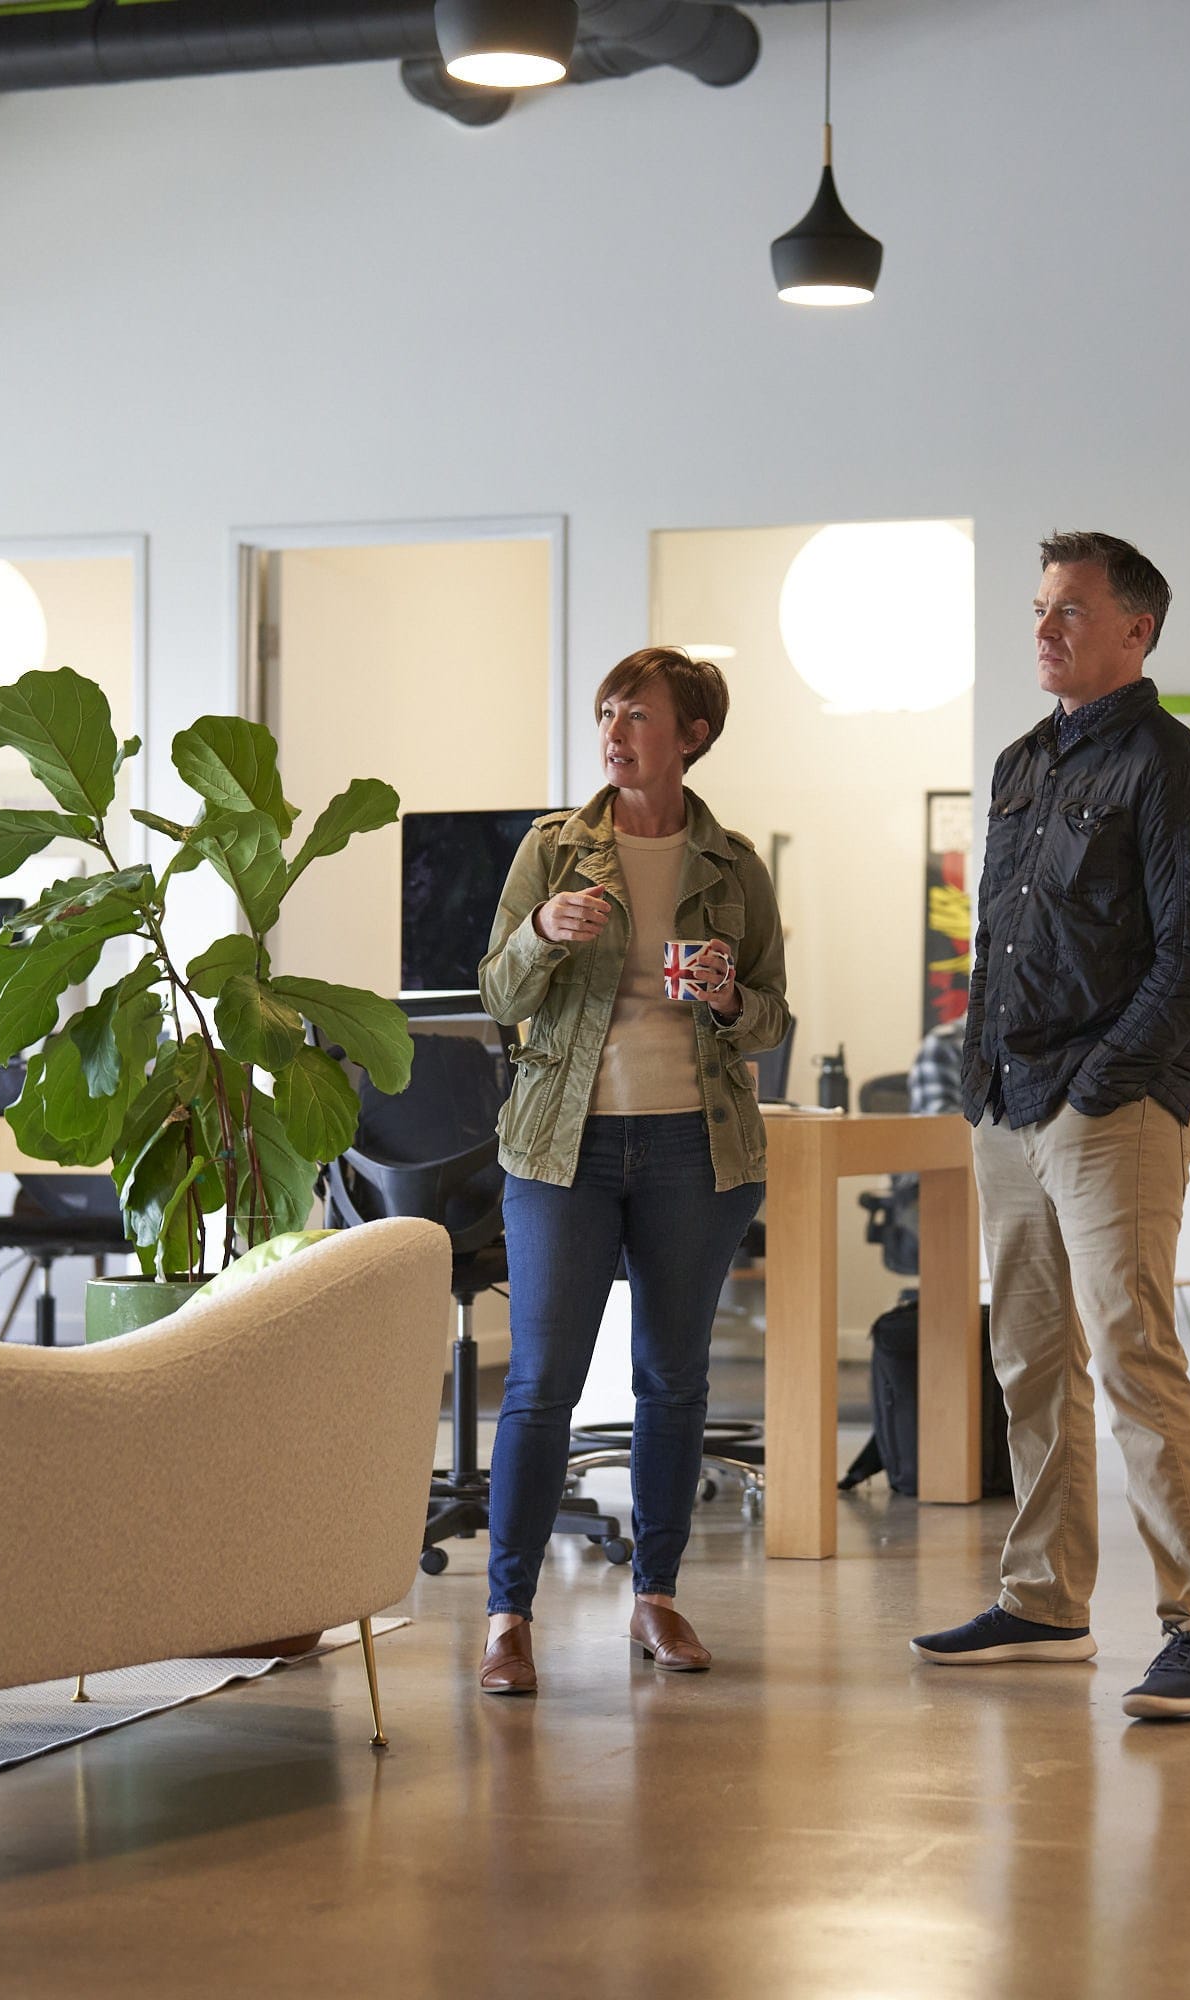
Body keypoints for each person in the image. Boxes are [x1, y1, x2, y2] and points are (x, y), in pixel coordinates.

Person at [911, 531, 1190, 1721]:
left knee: (1134, 1352)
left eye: (1070, 609)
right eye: (1040, 607)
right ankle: (1046, 1598)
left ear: (1136, 631)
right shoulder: (1019, 764)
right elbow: (995, 942)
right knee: (1030, 1357)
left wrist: (1101, 1081)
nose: (1046, 627)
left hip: (1115, 1111)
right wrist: (981, 1076)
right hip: (1008, 1102)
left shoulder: (1172, 768)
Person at [472, 647, 791, 1697]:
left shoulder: (734, 864)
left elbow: (774, 1015)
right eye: (607, 712)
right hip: (566, 1146)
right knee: (541, 1382)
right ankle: (507, 1614)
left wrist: (731, 999)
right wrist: (540, 931)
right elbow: (498, 993)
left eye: (637, 715)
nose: (614, 732)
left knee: (672, 1377)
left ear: (690, 736)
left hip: (695, 1146)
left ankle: (656, 1593)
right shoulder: (553, 851)